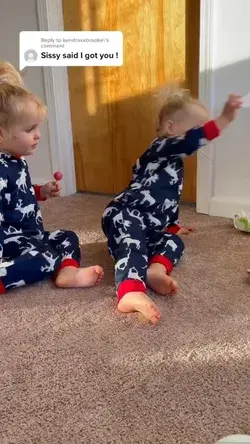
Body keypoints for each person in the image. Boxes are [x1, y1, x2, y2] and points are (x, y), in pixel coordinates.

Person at [102, 86, 242, 324]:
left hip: (151, 226)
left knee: (173, 242)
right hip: (125, 214)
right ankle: (130, 290)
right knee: (132, 244)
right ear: (170, 128)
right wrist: (225, 118)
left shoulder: (173, 162)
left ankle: (155, 270)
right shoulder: (161, 147)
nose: (198, 138)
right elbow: (190, 141)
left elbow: (167, 199)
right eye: (195, 128)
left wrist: (173, 226)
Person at [0, 60, 104, 293]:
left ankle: (67, 271)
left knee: (67, 237)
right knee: (45, 256)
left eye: (37, 128)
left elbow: (17, 194)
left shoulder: (16, 160)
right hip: (9, 241)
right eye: (29, 130)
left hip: (29, 234)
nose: (37, 136)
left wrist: (41, 191)